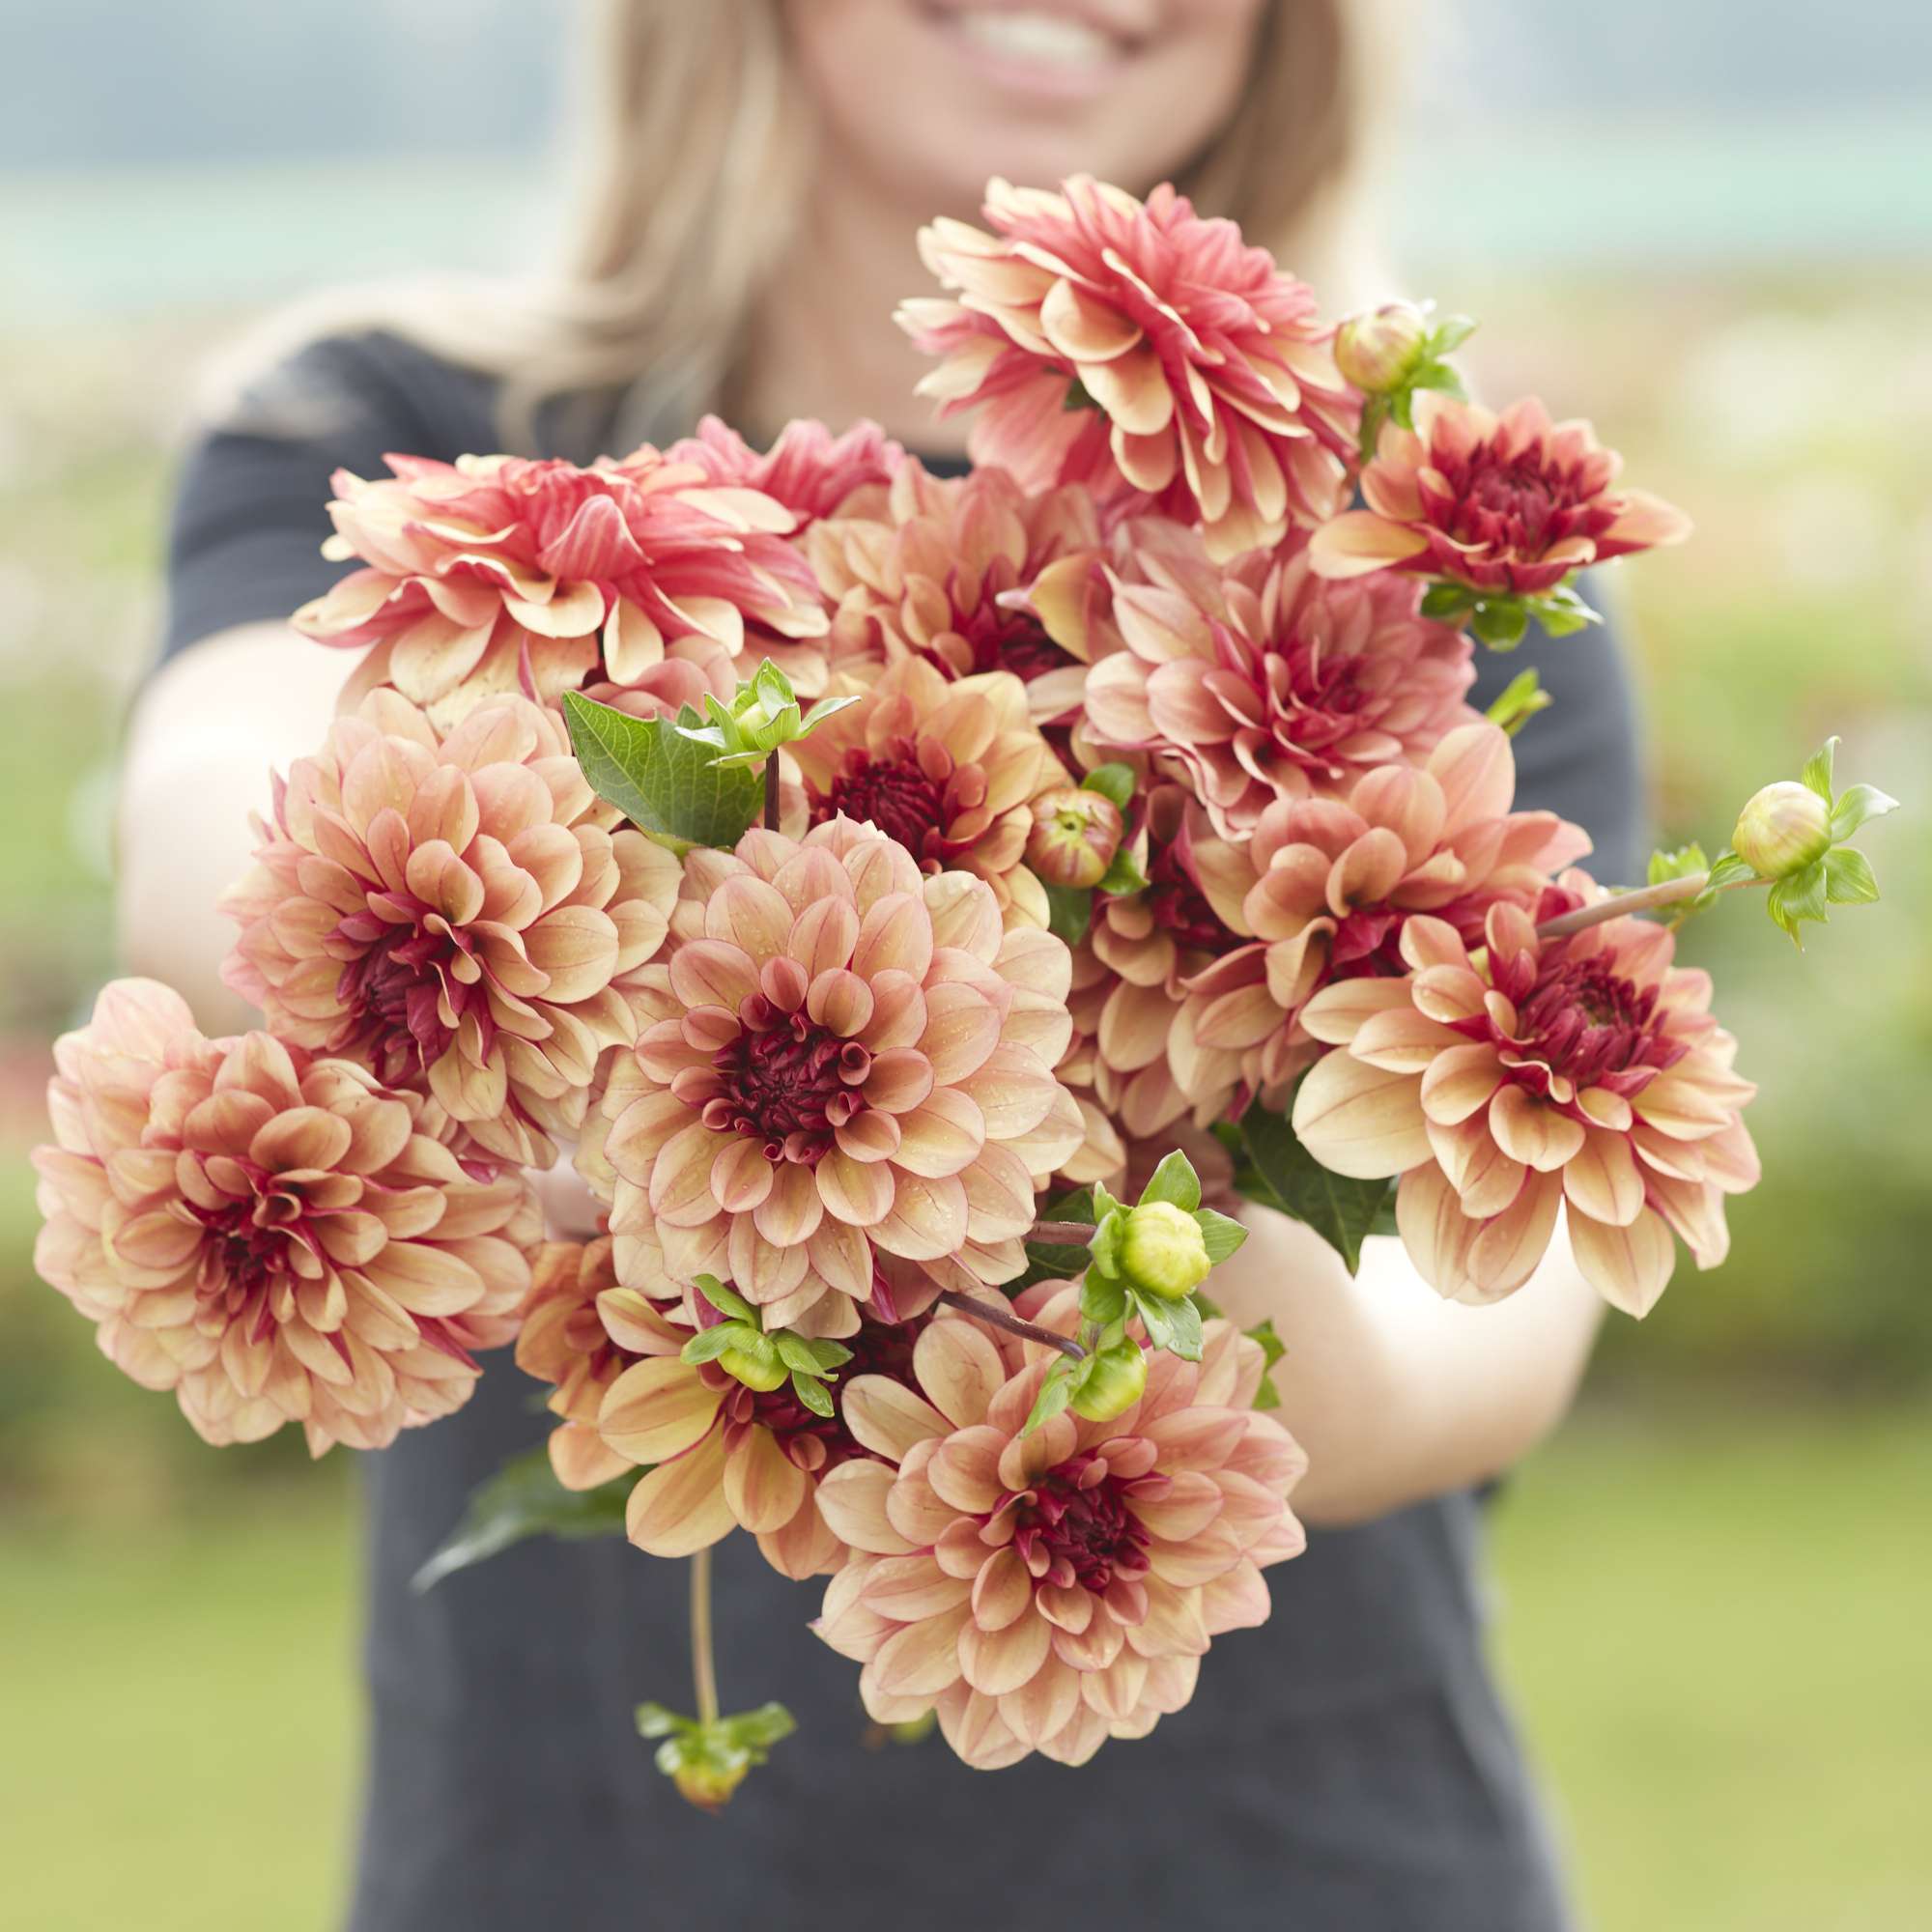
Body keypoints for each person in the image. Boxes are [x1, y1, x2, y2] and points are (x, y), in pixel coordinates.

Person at [125, 4, 1644, 1926]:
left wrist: (1137, 1191)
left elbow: (1473, 1332)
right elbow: (208, 833)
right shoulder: (401, 434)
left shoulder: (1406, 575)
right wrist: (671, 1072)